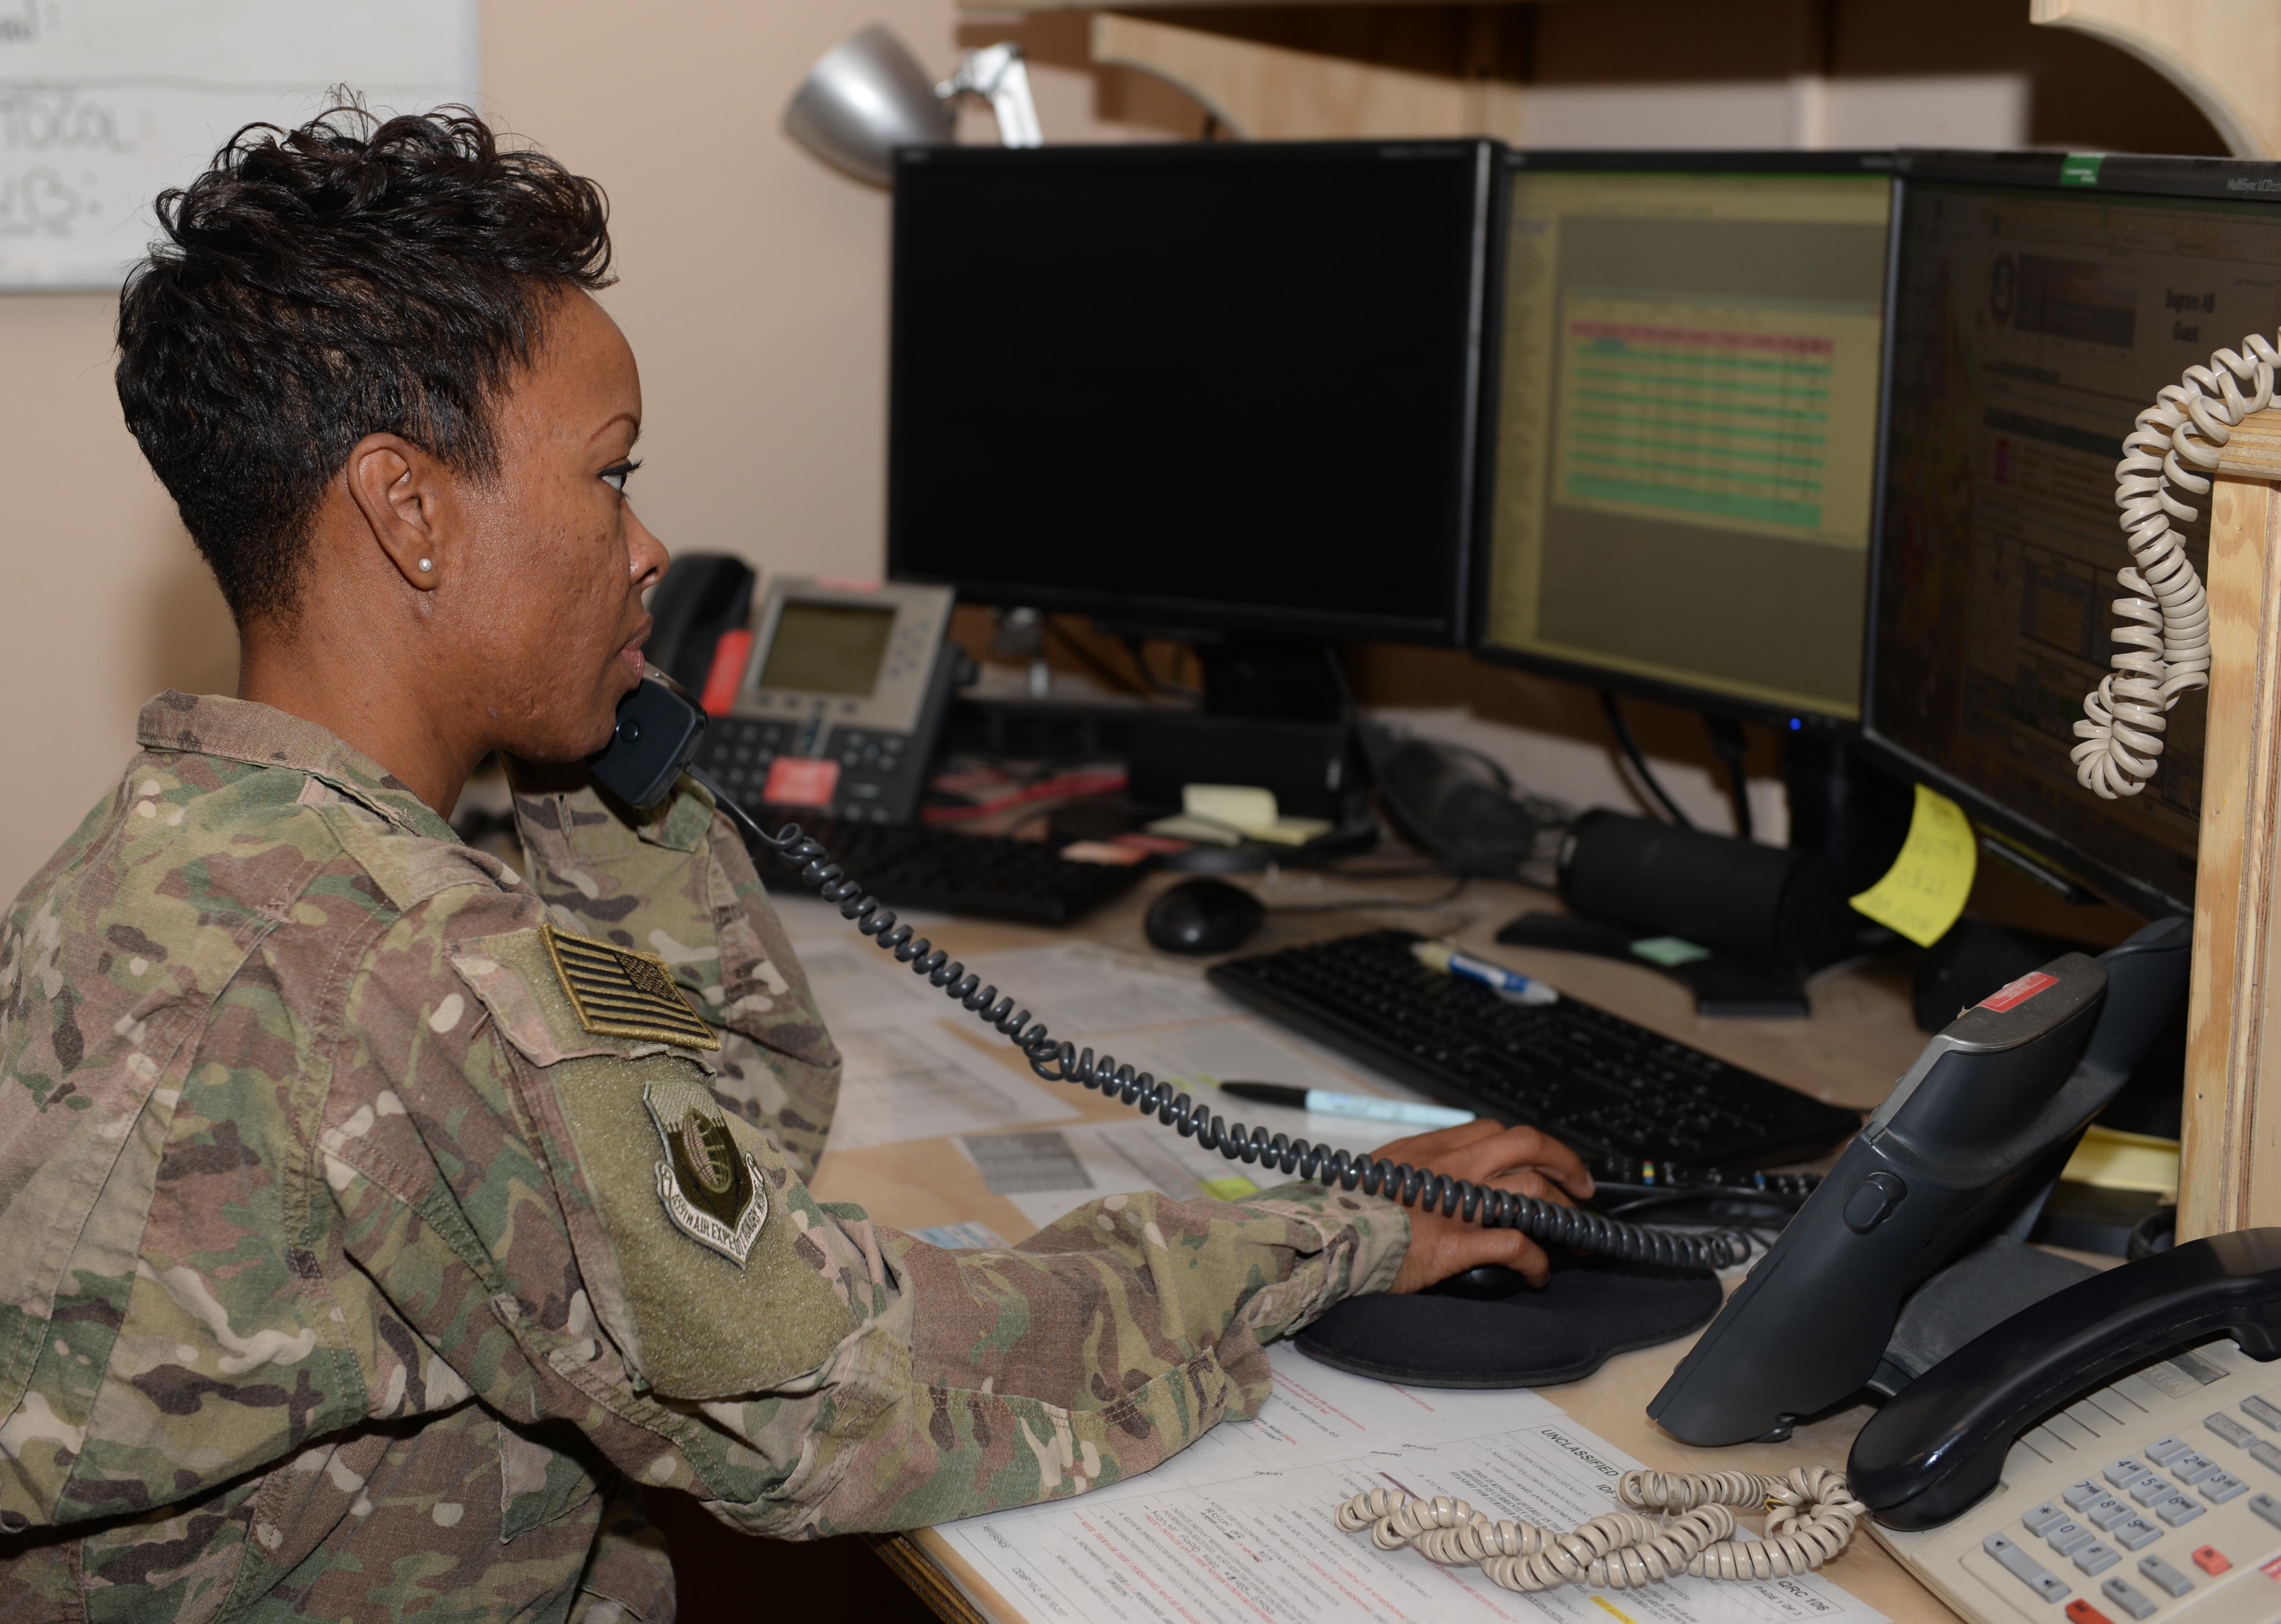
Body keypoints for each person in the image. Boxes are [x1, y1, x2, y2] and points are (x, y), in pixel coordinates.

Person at [0, 107, 1594, 1621]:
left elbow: (732, 1135)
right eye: (610, 474)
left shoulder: (165, 853)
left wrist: (591, 762)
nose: (647, 548)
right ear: (409, 511)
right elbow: (841, 1389)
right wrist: (1339, 1229)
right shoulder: (415, 975)